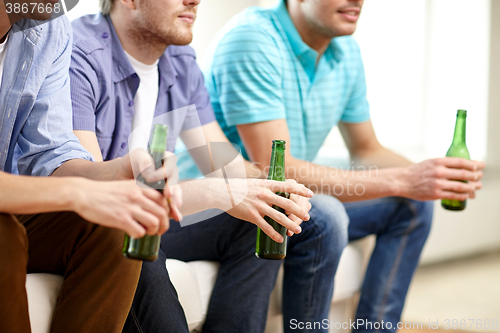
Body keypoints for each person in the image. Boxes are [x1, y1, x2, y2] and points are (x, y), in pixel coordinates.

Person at [179, 0, 486, 332]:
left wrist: (429, 177)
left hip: (287, 198)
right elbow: (274, 168)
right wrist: (404, 179)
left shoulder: (346, 51)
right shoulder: (252, 40)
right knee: (324, 215)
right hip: (214, 204)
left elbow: (367, 149)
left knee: (411, 205)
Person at [68, 0, 344, 332]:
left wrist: (277, 192)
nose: (195, 1)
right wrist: (215, 192)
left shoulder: (180, 60)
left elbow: (226, 167)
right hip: (98, 228)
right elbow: (92, 195)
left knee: (263, 214)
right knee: (135, 251)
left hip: (153, 217)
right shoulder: (78, 54)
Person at [0, 2, 177, 332]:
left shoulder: (50, 28)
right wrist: (76, 192)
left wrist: (118, 171)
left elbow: (50, 154)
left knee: (114, 224)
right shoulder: (89, 50)